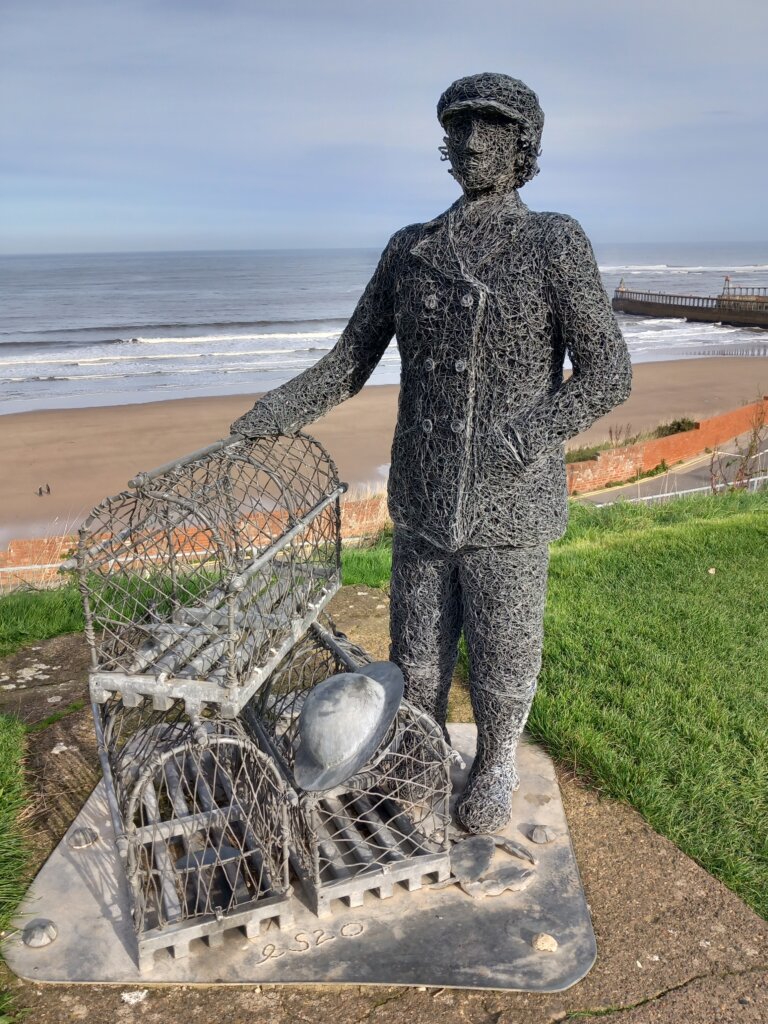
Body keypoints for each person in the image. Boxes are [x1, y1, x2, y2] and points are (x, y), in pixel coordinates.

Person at [232, 73, 631, 833]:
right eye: (460, 126)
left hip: (509, 498)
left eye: (494, 127)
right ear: (444, 142)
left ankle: (498, 760)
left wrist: (523, 439)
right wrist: (274, 409)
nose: (474, 140)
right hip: (421, 490)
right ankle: (418, 757)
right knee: (415, 656)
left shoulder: (554, 241)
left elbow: (608, 372)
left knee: (504, 651)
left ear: (524, 146)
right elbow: (351, 359)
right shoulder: (409, 249)